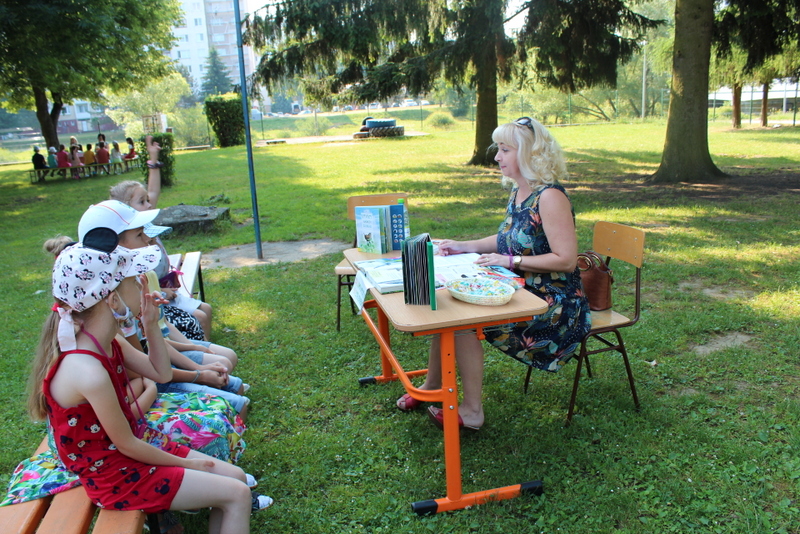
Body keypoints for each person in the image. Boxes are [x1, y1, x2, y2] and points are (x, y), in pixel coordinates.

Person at [28, 241, 271, 531]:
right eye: (134, 281)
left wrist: (151, 323)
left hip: (138, 447)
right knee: (237, 493)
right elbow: (126, 444)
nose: (143, 285)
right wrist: (189, 464)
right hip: (116, 476)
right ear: (112, 300)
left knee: (237, 478)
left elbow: (161, 373)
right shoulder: (88, 371)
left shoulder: (110, 341)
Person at [396, 117, 591, 430]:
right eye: (498, 149)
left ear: (529, 153)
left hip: (555, 306)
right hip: (520, 288)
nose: (497, 157)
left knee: (461, 322)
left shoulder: (550, 197)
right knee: (449, 311)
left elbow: (566, 260)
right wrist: (464, 246)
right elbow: (507, 238)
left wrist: (510, 261)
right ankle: (432, 387)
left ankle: (472, 411)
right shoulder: (520, 192)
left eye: (505, 150)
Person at [110, 136, 215, 340]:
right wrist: (164, 291)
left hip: (164, 289)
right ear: (126, 208)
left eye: (147, 201)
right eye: (142, 202)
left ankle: (205, 348)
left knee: (206, 310)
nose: (149, 204)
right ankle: (200, 351)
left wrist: (153, 159)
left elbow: (153, 191)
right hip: (158, 298)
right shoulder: (129, 240)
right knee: (200, 317)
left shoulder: (145, 222)